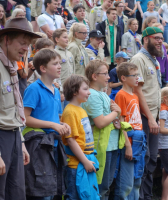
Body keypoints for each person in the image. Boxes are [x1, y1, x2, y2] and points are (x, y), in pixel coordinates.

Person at [23, 48, 70, 199]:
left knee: (54, 191)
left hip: (54, 145)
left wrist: (62, 124)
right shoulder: (34, 89)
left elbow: (55, 116)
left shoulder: (56, 91)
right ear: (42, 68)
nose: (60, 66)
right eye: (55, 63)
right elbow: (25, 118)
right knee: (41, 192)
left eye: (59, 63)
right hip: (38, 147)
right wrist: (52, 125)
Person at [0, 17, 39, 200]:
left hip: (14, 135)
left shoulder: (12, 65)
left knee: (16, 193)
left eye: (28, 45)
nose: (26, 49)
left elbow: (13, 109)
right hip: (1, 139)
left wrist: (21, 142)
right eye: (22, 43)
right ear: (6, 39)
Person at [129, 26, 162, 200]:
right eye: (156, 38)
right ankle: (139, 196)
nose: (160, 41)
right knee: (144, 157)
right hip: (143, 116)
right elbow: (137, 92)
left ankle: (147, 195)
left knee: (151, 159)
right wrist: (150, 118)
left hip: (153, 115)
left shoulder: (154, 60)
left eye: (161, 38)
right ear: (146, 39)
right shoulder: (138, 59)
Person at [82, 60, 122, 199]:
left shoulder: (103, 94)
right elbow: (100, 122)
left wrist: (115, 115)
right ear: (94, 76)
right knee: (100, 186)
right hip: (101, 146)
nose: (108, 77)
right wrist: (116, 113)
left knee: (107, 184)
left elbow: (111, 116)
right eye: (105, 74)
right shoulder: (92, 95)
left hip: (110, 145)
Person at [61, 75, 100, 200]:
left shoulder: (81, 109)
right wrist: (85, 161)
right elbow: (71, 140)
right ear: (74, 91)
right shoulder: (70, 111)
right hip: (76, 165)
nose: (89, 92)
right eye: (85, 89)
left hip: (85, 161)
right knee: (75, 196)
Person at [114, 62, 146, 200]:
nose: (137, 78)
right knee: (126, 183)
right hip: (130, 142)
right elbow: (122, 122)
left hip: (139, 141)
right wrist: (127, 145)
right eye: (134, 75)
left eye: (137, 75)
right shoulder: (121, 95)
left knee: (137, 180)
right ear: (123, 78)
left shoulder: (135, 95)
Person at [53, 28, 75, 108]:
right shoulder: (54, 53)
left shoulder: (69, 53)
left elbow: (73, 72)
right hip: (60, 91)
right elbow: (54, 75)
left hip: (71, 89)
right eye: (64, 37)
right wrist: (60, 91)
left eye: (67, 37)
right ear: (57, 39)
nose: (67, 39)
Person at [97, 7, 121, 71]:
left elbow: (119, 42)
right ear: (107, 14)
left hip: (115, 59)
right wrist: (103, 55)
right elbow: (100, 41)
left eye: (116, 14)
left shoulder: (117, 27)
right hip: (106, 58)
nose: (115, 16)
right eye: (113, 14)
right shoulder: (100, 25)